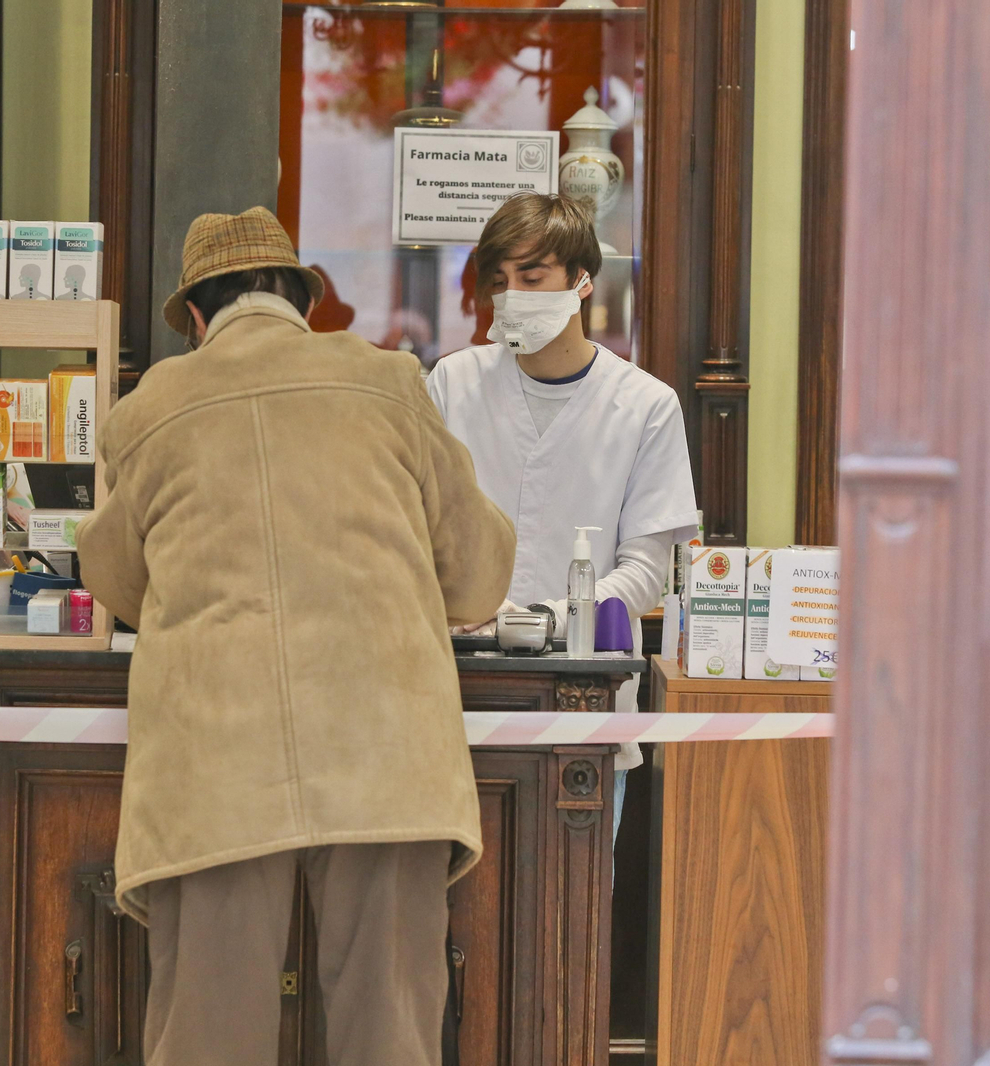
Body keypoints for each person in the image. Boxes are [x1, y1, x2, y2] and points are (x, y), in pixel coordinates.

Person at [77, 206, 516, 1066]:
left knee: (209, 1033)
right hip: (387, 748)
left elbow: (117, 583)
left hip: (216, 762)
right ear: (302, 303)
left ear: (196, 317)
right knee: (387, 1030)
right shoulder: (387, 379)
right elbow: (478, 575)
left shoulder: (150, 406)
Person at [426, 192, 698, 835]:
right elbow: (415, 529)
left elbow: (646, 570)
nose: (512, 293)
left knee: (569, 911)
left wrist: (544, 618)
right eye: (499, 281)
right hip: (458, 686)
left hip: (582, 693)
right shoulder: (450, 384)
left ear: (581, 280)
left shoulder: (645, 405)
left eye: (532, 275)